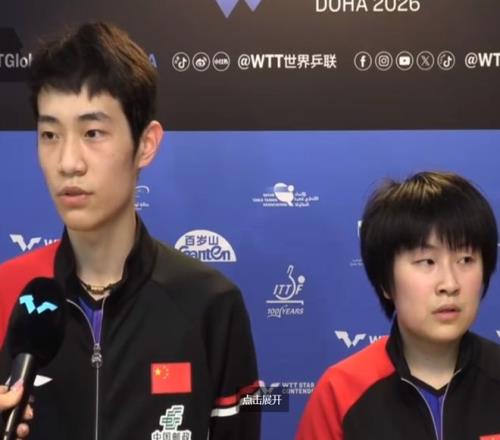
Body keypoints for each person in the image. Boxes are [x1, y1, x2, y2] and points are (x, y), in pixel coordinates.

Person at [0, 22, 260, 440]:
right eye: (49, 134)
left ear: (146, 144)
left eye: (93, 133)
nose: (68, 162)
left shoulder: (211, 304)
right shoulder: (7, 292)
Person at [297, 171, 500, 439]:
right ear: (385, 282)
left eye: (465, 260)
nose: (450, 284)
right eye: (427, 262)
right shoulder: (341, 392)